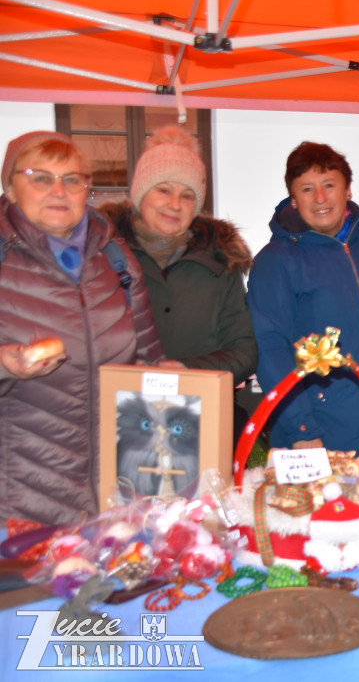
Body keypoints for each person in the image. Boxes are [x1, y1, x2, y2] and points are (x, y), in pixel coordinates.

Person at [0, 131, 165, 524]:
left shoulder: (116, 259)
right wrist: (5, 364)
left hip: (116, 496)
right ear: (9, 188)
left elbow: (148, 359)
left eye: (72, 179)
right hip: (20, 496)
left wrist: (164, 379)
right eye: (40, 177)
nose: (58, 190)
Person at [247, 141, 359, 463]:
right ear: (294, 199)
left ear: (347, 190)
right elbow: (269, 348)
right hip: (321, 438)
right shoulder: (276, 261)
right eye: (307, 189)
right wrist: (301, 428)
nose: (321, 198)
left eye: (329, 185)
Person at [99, 126, 258, 439]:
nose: (175, 204)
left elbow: (245, 350)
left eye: (187, 195)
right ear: (140, 192)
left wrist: (186, 369)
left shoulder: (220, 262)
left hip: (201, 424)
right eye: (163, 190)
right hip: (117, 424)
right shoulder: (101, 256)